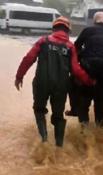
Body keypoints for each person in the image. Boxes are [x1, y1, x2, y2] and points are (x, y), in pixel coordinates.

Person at [14, 17, 95, 152]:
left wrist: (19, 76)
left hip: (41, 83)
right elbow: (76, 70)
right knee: (58, 116)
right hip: (61, 86)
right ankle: (59, 147)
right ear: (68, 31)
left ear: (54, 29)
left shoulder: (43, 41)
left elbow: (28, 58)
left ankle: (44, 139)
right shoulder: (70, 47)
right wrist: (89, 81)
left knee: (39, 110)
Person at [74, 11, 103, 128]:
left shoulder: (87, 31)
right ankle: (101, 130)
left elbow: (75, 47)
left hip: (90, 71)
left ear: (94, 21)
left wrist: (82, 57)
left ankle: (84, 129)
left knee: (84, 102)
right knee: (100, 104)